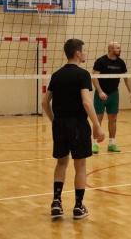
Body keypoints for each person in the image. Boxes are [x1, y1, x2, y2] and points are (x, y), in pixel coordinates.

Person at [42, 38, 105, 220]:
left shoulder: (56, 75)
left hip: (60, 124)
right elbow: (86, 102)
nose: (85, 54)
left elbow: (45, 102)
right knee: (80, 165)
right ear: (77, 53)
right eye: (83, 51)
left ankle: (56, 203)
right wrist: (97, 126)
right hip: (78, 124)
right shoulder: (83, 75)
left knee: (61, 163)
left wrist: (54, 121)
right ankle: (78, 207)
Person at [91, 41, 131, 153]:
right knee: (98, 119)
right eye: (117, 48)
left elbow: (126, 78)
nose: (120, 49)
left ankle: (112, 144)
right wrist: (100, 92)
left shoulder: (121, 62)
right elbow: (94, 77)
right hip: (101, 94)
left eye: (120, 48)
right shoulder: (101, 61)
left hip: (114, 94)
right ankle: (94, 144)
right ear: (110, 49)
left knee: (113, 119)